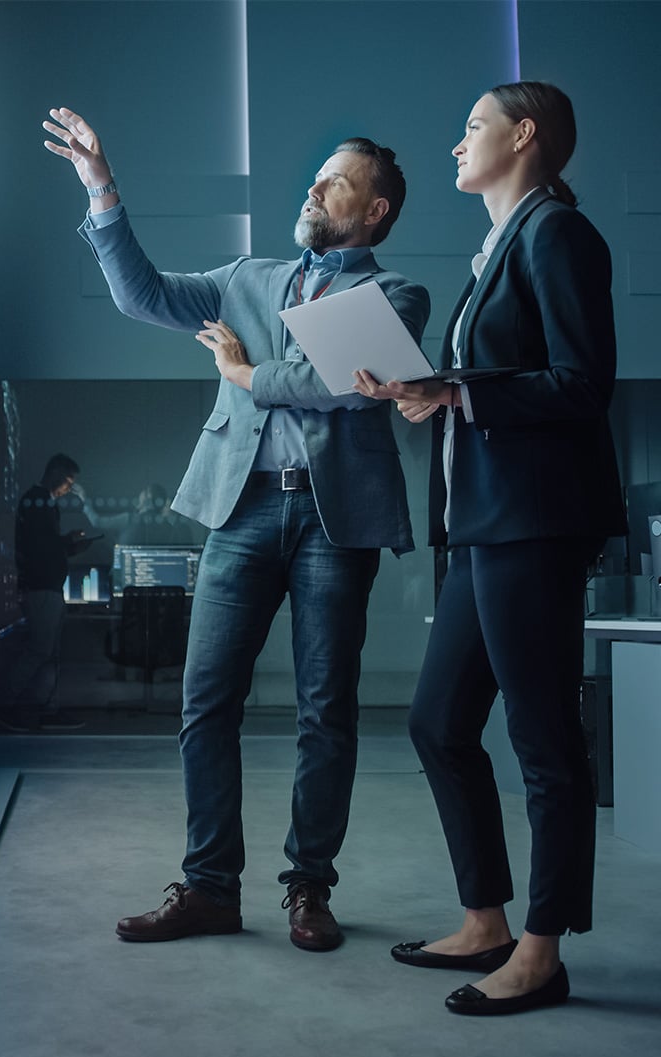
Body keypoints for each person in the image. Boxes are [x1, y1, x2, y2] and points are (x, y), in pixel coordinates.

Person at [43, 107, 430, 950]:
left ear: (375, 212)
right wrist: (100, 188)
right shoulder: (246, 279)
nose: (315, 185)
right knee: (204, 701)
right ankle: (211, 887)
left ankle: (309, 890)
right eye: (316, 173)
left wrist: (245, 373)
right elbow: (141, 295)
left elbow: (331, 382)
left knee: (326, 711)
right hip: (241, 507)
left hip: (337, 524)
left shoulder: (397, 295)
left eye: (336, 180)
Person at [353, 82, 626, 1014]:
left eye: (472, 126)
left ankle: (542, 953)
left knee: (545, 741)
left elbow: (582, 385)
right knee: (437, 724)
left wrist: (461, 392)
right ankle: (486, 920)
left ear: (525, 136)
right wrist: (433, 391)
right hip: (482, 523)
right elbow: (499, 380)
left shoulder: (557, 235)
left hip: (534, 525)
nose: (456, 141)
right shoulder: (499, 248)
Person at [0, 452, 94, 731]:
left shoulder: (43, 503)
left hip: (46, 587)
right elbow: (42, 547)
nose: (68, 488)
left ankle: (46, 707)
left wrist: (69, 545)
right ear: (54, 474)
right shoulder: (37, 502)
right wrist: (67, 542)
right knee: (40, 650)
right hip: (41, 588)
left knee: (48, 652)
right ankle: (4, 704)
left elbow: (46, 547)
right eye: (68, 482)